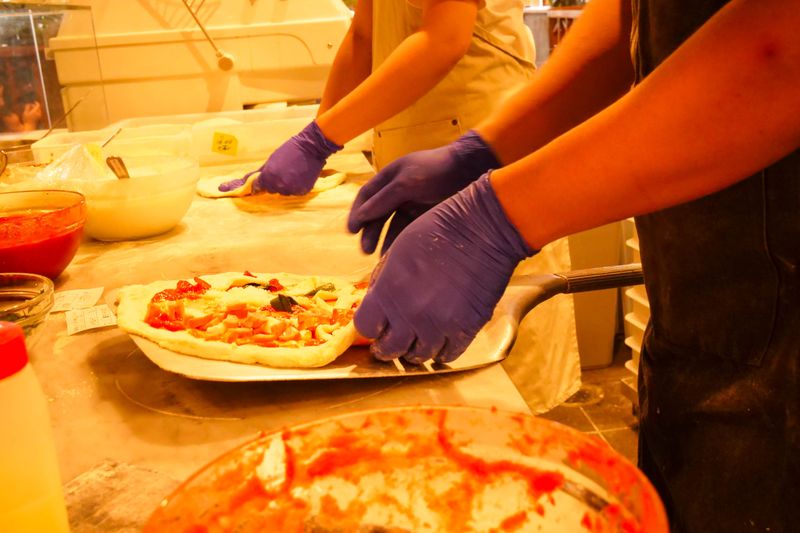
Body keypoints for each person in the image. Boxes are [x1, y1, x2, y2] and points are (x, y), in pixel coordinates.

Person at [346, 0, 800, 531]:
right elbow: (635, 17)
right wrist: (488, 148)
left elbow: (782, 48)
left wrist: (499, 216)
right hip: (702, 329)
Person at [219, 0, 536, 195]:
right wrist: (313, 140)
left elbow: (444, 39)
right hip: (413, 143)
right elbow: (363, 35)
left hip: (475, 136)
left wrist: (319, 140)